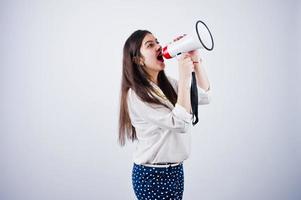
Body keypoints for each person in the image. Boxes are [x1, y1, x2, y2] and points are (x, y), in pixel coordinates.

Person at [118, 30, 211, 200]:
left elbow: (204, 96)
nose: (159, 47)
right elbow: (180, 124)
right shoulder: (136, 95)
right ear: (138, 59)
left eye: (157, 42)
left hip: (175, 171)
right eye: (150, 45)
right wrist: (184, 76)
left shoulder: (167, 84)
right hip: (152, 176)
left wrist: (195, 58)